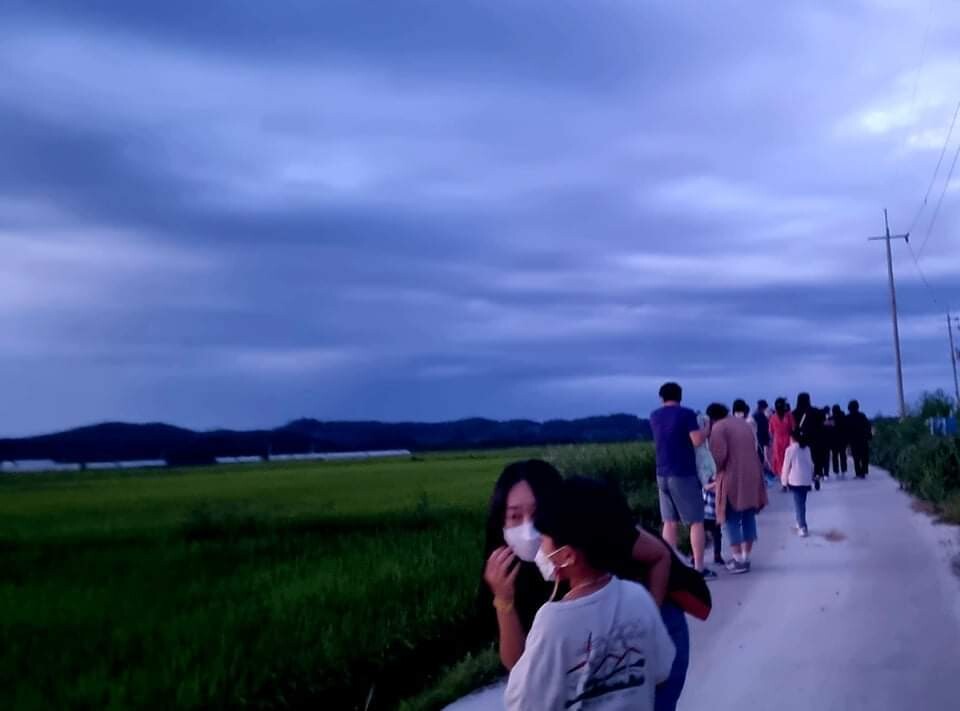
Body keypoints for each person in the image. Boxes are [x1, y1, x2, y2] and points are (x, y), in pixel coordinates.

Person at [481, 459, 700, 711]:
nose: (530, 528)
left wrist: (639, 629)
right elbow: (521, 665)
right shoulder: (512, 573)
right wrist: (503, 600)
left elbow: (660, 557)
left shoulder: (590, 529)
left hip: (654, 616)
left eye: (537, 512)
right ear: (501, 520)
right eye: (515, 516)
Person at [650, 382, 714, 579]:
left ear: (661, 398)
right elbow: (696, 440)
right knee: (696, 521)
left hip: (661, 472)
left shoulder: (654, 415)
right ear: (680, 397)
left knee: (669, 522)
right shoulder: (686, 414)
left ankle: (669, 567)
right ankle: (699, 569)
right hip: (683, 473)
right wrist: (707, 429)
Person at [706, 403, 768, 574]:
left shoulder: (719, 428)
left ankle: (738, 559)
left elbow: (718, 457)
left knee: (731, 518)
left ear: (712, 417)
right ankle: (746, 557)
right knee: (748, 515)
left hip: (733, 477)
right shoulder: (743, 423)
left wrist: (714, 476)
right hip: (753, 474)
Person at [781, 428, 815, 537]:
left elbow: (786, 467)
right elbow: (811, 465)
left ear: (792, 438)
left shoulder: (790, 450)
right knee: (802, 503)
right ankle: (799, 521)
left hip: (795, 481)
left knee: (798, 504)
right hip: (806, 480)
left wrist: (784, 481)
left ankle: (802, 526)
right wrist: (811, 477)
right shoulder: (807, 448)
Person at [769, 398, 795, 491]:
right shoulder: (788, 416)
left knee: (781, 463)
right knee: (788, 462)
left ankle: (784, 484)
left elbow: (771, 431)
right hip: (788, 441)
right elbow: (793, 428)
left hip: (778, 442)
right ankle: (788, 482)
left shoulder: (773, 417)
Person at [847, 400, 873, 478]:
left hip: (854, 440)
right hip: (862, 439)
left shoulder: (848, 417)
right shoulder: (862, 416)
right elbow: (868, 425)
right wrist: (868, 435)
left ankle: (858, 472)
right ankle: (863, 471)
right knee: (864, 456)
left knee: (856, 457)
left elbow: (845, 429)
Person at [829, 404, 848, 477]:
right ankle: (843, 470)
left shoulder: (832, 419)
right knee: (843, 455)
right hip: (842, 440)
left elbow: (828, 429)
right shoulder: (844, 418)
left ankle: (836, 471)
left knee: (835, 457)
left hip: (834, 441)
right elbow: (846, 429)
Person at [753, 399, 772, 477]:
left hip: (755, 439)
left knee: (758, 457)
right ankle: (760, 474)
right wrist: (767, 441)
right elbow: (765, 430)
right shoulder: (762, 417)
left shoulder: (754, 415)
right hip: (761, 439)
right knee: (761, 457)